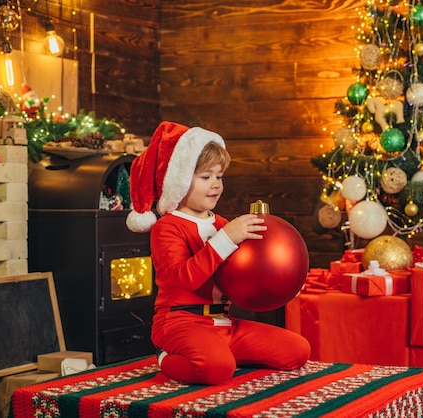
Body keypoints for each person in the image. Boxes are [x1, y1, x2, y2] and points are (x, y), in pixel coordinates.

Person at [126, 122, 310, 385]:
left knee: (297, 351)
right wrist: (225, 239)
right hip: (180, 323)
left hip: (225, 325)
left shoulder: (223, 224)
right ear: (180, 180)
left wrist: (281, 279)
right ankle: (166, 357)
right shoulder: (167, 227)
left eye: (219, 176)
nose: (215, 185)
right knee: (216, 369)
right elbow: (184, 279)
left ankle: (220, 354)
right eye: (205, 177)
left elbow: (247, 271)